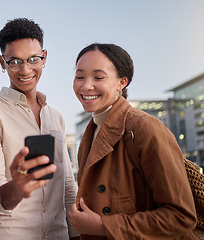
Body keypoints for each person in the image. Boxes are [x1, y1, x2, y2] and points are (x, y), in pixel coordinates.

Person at [69, 43, 197, 239]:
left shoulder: (143, 128)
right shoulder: (90, 134)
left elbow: (181, 216)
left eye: (98, 77)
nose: (86, 85)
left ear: (122, 83)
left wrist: (104, 226)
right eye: (80, 76)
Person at [0, 18, 79, 239]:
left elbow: (68, 186)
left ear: (44, 57)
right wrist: (17, 188)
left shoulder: (55, 117)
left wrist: (76, 234)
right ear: (3, 62)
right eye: (15, 61)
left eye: (33, 59)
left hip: (58, 235)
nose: (25, 69)